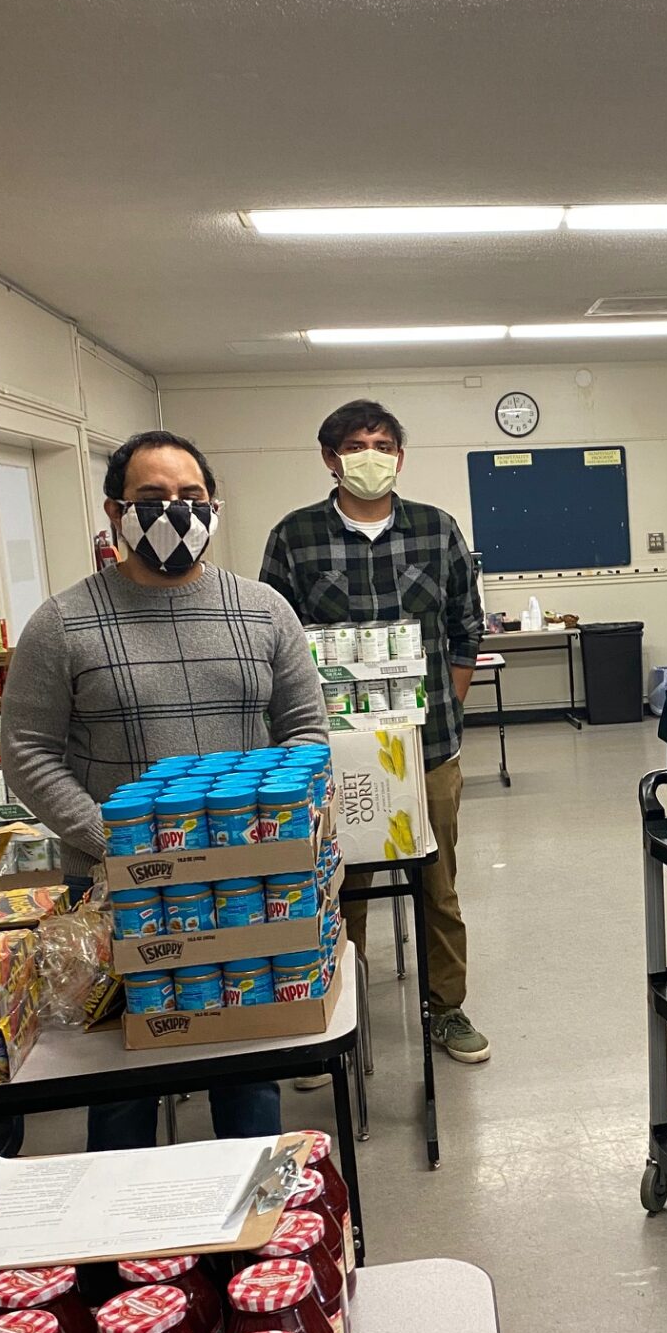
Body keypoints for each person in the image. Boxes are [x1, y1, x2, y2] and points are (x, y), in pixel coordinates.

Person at [2, 429, 329, 1149]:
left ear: (215, 507)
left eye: (191, 498)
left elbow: (307, 730)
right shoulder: (61, 624)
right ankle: (126, 1249)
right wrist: (111, 839)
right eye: (152, 499)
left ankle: (248, 1240)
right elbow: (26, 752)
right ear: (116, 509)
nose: (175, 512)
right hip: (118, 894)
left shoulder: (266, 610)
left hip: (247, 888)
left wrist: (270, 833)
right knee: (123, 1078)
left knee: (249, 1064)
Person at [260, 400, 489, 1064]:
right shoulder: (295, 536)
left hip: (429, 748)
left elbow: (466, 626)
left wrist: (446, 704)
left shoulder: (435, 528)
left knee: (437, 881)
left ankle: (446, 1008)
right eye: (357, 445)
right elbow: (275, 644)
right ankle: (334, 1012)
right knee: (338, 883)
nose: (372, 455)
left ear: (400, 455)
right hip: (337, 750)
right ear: (331, 459)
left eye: (384, 444)